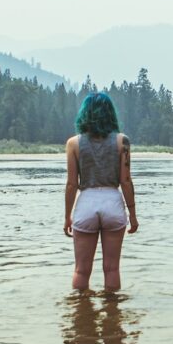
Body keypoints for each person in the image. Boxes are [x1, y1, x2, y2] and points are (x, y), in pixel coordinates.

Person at [64, 92, 139, 290]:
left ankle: (81, 316)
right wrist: (133, 214)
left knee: (81, 270)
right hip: (112, 202)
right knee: (112, 269)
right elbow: (126, 180)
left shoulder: (73, 143)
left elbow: (72, 184)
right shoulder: (122, 141)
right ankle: (113, 317)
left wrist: (67, 217)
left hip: (86, 202)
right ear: (110, 114)